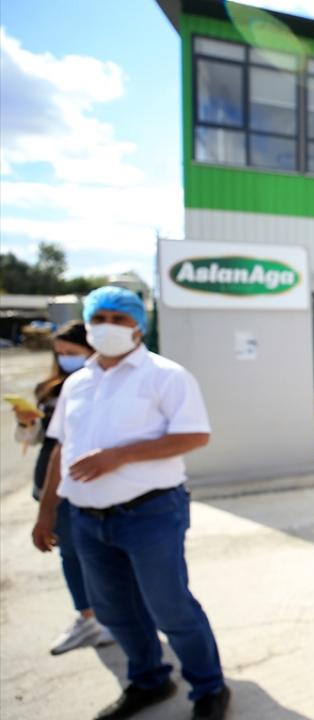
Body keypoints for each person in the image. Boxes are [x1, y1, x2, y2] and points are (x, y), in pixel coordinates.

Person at [34, 286, 231, 720]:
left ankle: (209, 688)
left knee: (169, 607)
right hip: (87, 519)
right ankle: (149, 680)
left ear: (138, 326)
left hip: (150, 514)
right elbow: (60, 448)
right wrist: (47, 510)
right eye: (99, 318)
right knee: (114, 610)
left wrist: (119, 456)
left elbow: (195, 435)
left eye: (119, 319)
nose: (108, 326)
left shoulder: (166, 375)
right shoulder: (78, 383)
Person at [19, 321, 116, 654]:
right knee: (70, 553)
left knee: (100, 555)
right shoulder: (50, 389)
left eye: (71, 352)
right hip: (52, 480)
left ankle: (111, 617)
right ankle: (88, 616)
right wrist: (26, 424)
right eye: (59, 353)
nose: (64, 359)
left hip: (87, 481)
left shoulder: (100, 386)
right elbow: (44, 441)